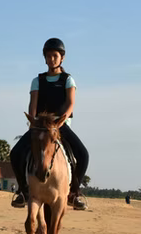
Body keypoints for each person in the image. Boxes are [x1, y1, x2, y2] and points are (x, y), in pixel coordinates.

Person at [10, 37, 89, 210]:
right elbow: (33, 105)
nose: (52, 59)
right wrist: (32, 121)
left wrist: (62, 120)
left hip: (60, 125)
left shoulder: (68, 80)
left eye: (55, 56)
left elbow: (70, 104)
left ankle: (74, 193)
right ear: (45, 58)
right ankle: (23, 191)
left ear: (62, 58)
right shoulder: (37, 81)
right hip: (39, 126)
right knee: (15, 153)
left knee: (83, 154)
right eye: (49, 56)